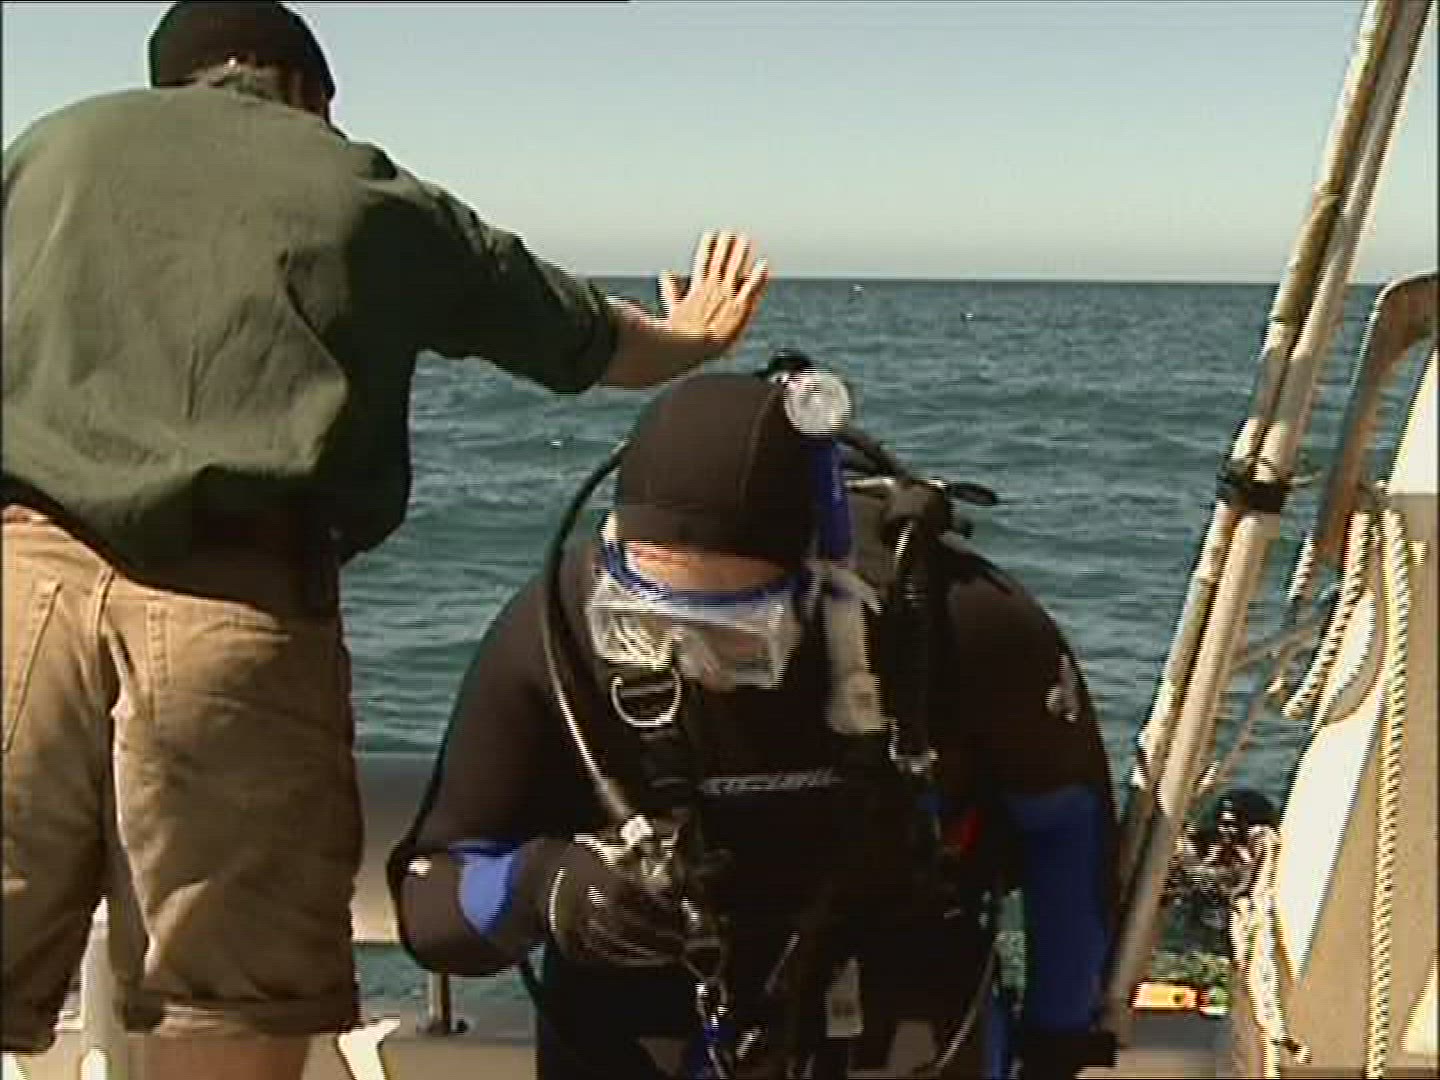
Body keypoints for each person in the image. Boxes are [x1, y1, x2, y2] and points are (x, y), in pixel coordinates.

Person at [1, 2, 768, 1077]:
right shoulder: (360, 187)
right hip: (228, 617)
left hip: (15, 592)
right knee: (230, 1008)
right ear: (310, 92)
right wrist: (694, 338)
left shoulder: (51, 149)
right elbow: (586, 341)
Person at [390, 367, 1120, 1079]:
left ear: (821, 580)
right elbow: (429, 900)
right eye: (645, 628)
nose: (693, 664)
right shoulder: (557, 632)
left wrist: (1056, 1037)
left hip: (894, 968)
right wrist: (541, 888)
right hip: (652, 982)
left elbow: (1069, 828)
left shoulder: (956, 621)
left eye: (736, 637)